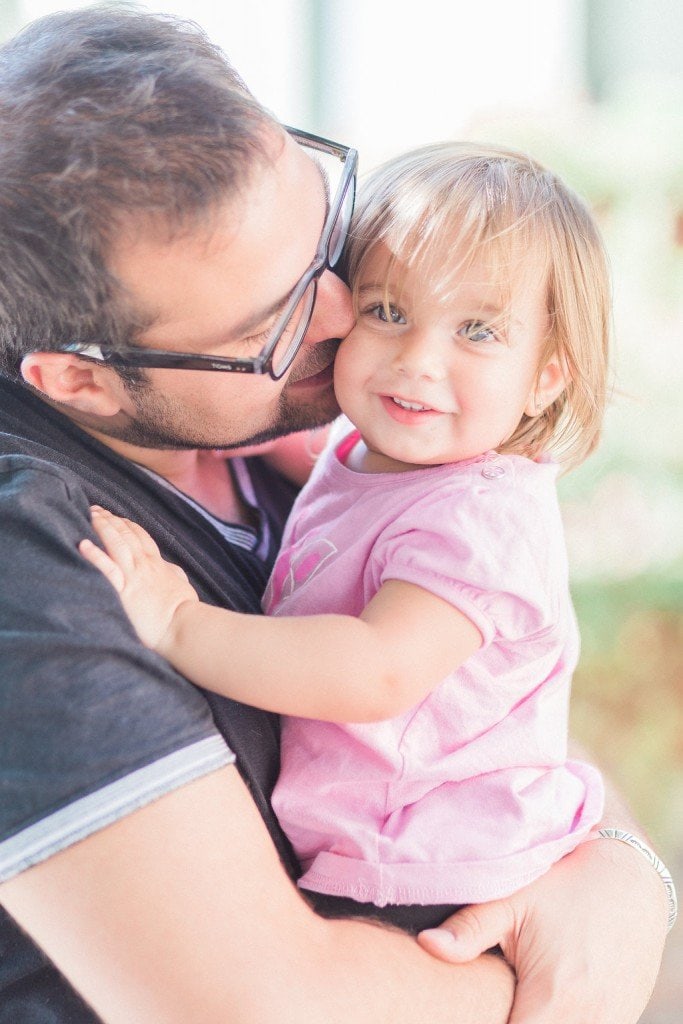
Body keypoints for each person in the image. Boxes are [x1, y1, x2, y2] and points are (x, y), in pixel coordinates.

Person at [0, 6, 673, 1024]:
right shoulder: (41, 557)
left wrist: (622, 877)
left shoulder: (328, 444)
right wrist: (573, 971)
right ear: (80, 384)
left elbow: (493, 728)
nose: (340, 312)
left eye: (326, 233)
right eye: (266, 326)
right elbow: (264, 1007)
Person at [79, 140, 609, 933]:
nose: (416, 362)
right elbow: (329, 480)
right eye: (387, 312)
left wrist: (183, 627)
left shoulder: (479, 518)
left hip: (424, 863)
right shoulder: (374, 451)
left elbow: (376, 671)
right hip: (378, 843)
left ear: (546, 373)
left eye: (477, 332)